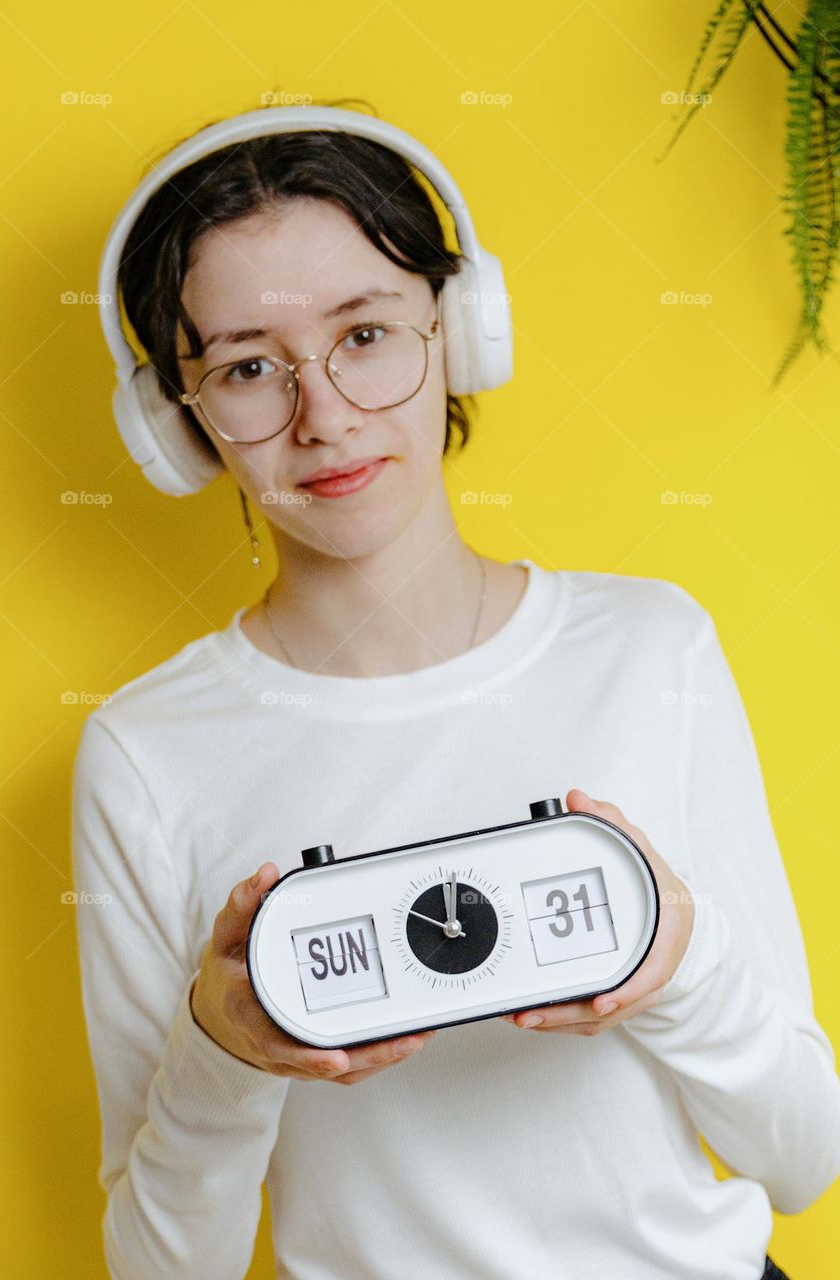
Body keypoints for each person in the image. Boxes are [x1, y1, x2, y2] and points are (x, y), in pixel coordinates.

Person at [71, 108, 840, 1280]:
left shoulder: (649, 645)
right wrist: (224, 1048)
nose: (323, 414)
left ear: (462, 331)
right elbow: (160, 1266)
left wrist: (677, 962)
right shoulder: (144, 751)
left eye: (367, 333)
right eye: (244, 367)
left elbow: (803, 1155)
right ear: (178, 425)